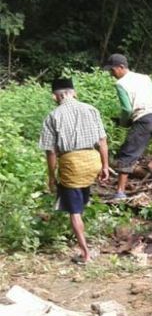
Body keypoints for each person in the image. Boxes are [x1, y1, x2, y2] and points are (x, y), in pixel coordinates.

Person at [39, 78, 110, 264]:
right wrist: (105, 166)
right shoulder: (91, 110)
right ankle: (86, 241)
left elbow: (51, 151)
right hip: (92, 160)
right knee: (81, 202)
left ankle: (85, 254)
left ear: (55, 96)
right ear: (74, 92)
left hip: (72, 164)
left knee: (75, 211)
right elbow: (102, 141)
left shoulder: (53, 116)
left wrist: (51, 177)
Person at [103, 53, 152, 199]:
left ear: (121, 67)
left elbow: (126, 109)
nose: (112, 74)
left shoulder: (120, 84)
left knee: (128, 153)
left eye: (112, 70)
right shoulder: (144, 78)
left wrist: (124, 122)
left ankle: (120, 192)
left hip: (143, 118)